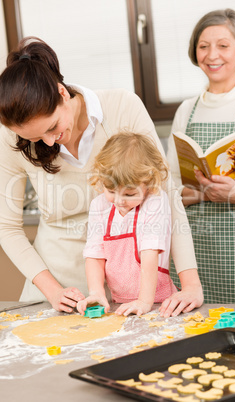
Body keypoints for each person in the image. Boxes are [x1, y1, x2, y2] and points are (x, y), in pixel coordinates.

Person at [0, 37, 203, 315]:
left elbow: (166, 194)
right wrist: (53, 291)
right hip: (54, 292)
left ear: (61, 93)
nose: (48, 143)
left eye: (52, 127)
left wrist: (190, 283)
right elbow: (7, 227)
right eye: (35, 138)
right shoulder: (13, 136)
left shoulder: (122, 108)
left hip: (130, 292)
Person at [167, 8, 235, 303]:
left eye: (223, 45)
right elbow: (170, 183)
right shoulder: (186, 110)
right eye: (203, 46)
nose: (213, 55)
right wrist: (201, 194)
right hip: (195, 250)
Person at [77, 132, 178, 317]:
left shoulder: (155, 201)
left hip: (159, 304)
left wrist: (144, 302)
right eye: (111, 191)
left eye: (129, 194)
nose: (119, 200)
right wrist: (97, 293)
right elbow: (94, 255)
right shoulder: (99, 205)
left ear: (149, 183)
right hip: (121, 305)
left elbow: (149, 254)